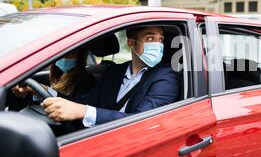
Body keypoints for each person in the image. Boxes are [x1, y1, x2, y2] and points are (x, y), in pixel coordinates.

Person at [40, 26, 180, 127]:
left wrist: (83, 111)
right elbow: (80, 102)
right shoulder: (115, 71)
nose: (158, 45)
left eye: (160, 40)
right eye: (150, 38)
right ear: (131, 43)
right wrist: (43, 92)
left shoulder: (166, 78)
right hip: (99, 136)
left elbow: (140, 121)